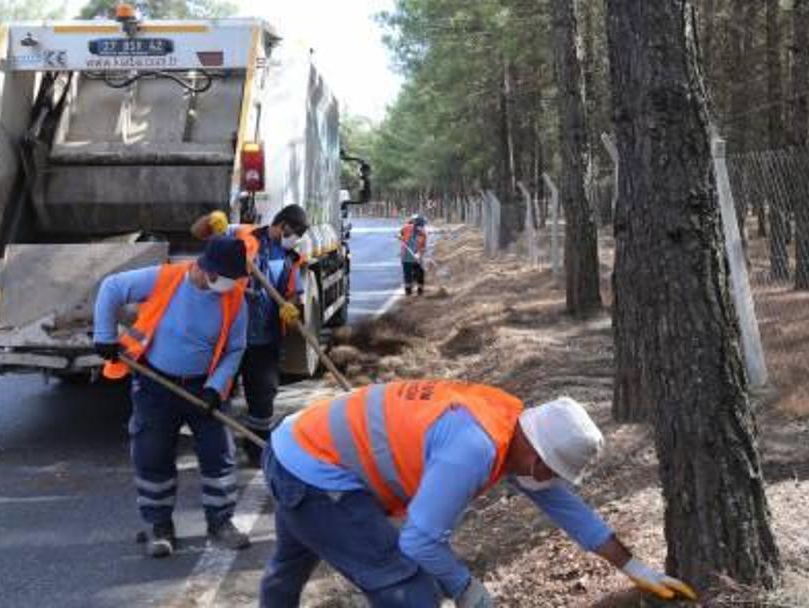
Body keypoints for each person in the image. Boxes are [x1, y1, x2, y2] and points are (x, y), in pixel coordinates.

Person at [258, 379, 697, 607]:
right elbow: (419, 540)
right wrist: (466, 589)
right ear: (539, 458)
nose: (550, 480)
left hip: (296, 443)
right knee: (407, 584)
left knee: (287, 568)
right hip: (314, 475)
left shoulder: (511, 423)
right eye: (553, 471)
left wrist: (633, 565)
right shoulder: (474, 449)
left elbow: (565, 506)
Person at [93, 236, 253, 558]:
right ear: (206, 269)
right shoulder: (164, 279)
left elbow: (235, 348)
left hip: (202, 388)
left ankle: (221, 523)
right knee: (152, 455)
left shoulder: (235, 298)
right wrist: (104, 336)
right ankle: (158, 526)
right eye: (226, 278)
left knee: (218, 454)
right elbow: (111, 287)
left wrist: (216, 387)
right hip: (156, 384)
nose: (230, 285)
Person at [192, 205, 309, 465]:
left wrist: (291, 310)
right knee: (218, 393)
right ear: (284, 224)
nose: (296, 238)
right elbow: (198, 232)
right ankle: (216, 449)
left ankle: (256, 451)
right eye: (295, 232)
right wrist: (213, 219)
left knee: (263, 396)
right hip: (227, 335)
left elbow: (293, 293)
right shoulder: (240, 233)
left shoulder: (290, 257)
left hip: (264, 339)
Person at [399, 213, 428, 296]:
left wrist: (419, 254)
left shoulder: (423, 233)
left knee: (420, 273)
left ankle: (420, 291)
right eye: (419, 225)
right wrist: (400, 236)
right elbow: (400, 233)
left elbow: (423, 246)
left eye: (422, 226)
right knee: (407, 274)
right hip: (406, 256)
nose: (421, 228)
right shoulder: (407, 228)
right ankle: (408, 292)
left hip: (417, 258)